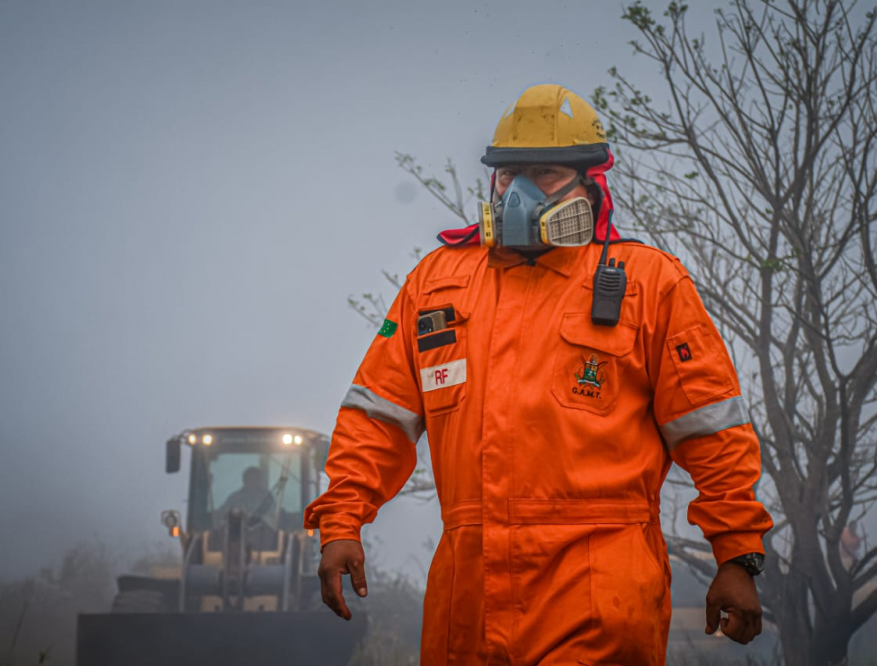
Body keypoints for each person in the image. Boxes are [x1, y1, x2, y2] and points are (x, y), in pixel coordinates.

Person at [304, 84, 773, 665]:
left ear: (589, 183)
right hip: (467, 603)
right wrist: (342, 520)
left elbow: (711, 432)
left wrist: (736, 555)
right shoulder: (436, 286)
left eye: (545, 172)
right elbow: (378, 418)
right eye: (509, 174)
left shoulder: (647, 285)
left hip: (599, 595)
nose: (520, 191)